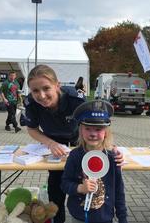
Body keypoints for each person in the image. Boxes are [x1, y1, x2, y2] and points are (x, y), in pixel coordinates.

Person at [23, 64, 124, 223]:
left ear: (57, 85)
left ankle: (87, 213)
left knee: (86, 178)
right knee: (56, 184)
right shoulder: (30, 103)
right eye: (35, 91)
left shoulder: (74, 98)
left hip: (80, 140)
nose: (41, 95)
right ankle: (58, 220)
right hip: (54, 142)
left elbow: (95, 126)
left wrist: (109, 147)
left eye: (46, 88)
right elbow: (32, 129)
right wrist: (50, 143)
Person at [61, 100, 128, 223]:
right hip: (79, 217)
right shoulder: (75, 156)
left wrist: (122, 218)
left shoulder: (113, 158)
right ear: (81, 130)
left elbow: (119, 191)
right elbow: (64, 183)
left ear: (106, 133)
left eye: (98, 129)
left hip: (105, 217)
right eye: (87, 128)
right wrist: (80, 188)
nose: (93, 134)